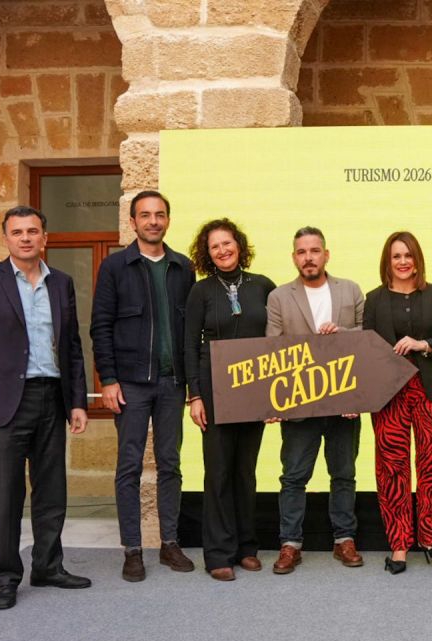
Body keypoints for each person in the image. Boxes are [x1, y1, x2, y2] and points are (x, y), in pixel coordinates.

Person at [0, 206, 91, 610]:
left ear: (44, 237)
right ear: (6, 239)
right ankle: (5, 578)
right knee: (6, 497)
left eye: (33, 231)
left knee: (52, 493)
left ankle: (48, 566)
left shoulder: (61, 282)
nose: (26, 238)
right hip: (2, 405)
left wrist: (77, 402)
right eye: (17, 232)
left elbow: (72, 347)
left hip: (52, 398)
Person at [90, 190, 196, 582]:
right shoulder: (115, 266)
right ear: (133, 222)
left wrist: (193, 385)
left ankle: (169, 543)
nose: (153, 221)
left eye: (160, 214)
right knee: (129, 467)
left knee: (171, 464)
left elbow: (191, 332)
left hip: (172, 384)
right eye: (146, 215)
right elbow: (100, 326)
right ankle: (132, 550)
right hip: (131, 384)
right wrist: (108, 379)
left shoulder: (183, 267)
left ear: (168, 220)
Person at [266, 227, 366, 573]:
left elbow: (368, 339)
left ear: (326, 254)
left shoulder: (350, 290)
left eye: (314, 251)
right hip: (299, 405)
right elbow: (273, 350)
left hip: (344, 404)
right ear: (294, 257)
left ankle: (344, 539)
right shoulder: (279, 297)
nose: (308, 257)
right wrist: (274, 404)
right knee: (294, 477)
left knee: (344, 474)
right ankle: (290, 544)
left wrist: (343, 333)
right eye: (301, 252)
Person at [183, 219, 276, 581]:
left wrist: (277, 397)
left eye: (227, 243)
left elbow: (278, 341)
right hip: (214, 391)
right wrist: (194, 395)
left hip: (255, 390)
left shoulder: (263, 285)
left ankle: (246, 548)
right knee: (219, 472)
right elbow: (190, 345)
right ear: (207, 254)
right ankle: (218, 554)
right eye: (215, 246)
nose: (222, 250)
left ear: (239, 244)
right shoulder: (201, 291)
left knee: (245, 472)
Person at [364, 232, 432, 574]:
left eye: (408, 255)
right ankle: (399, 544)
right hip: (389, 394)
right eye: (396, 256)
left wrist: (423, 344)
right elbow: (366, 348)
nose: (403, 261)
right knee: (392, 467)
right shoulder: (373, 299)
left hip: (428, 389)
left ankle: (431, 539)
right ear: (387, 262)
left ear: (417, 260)